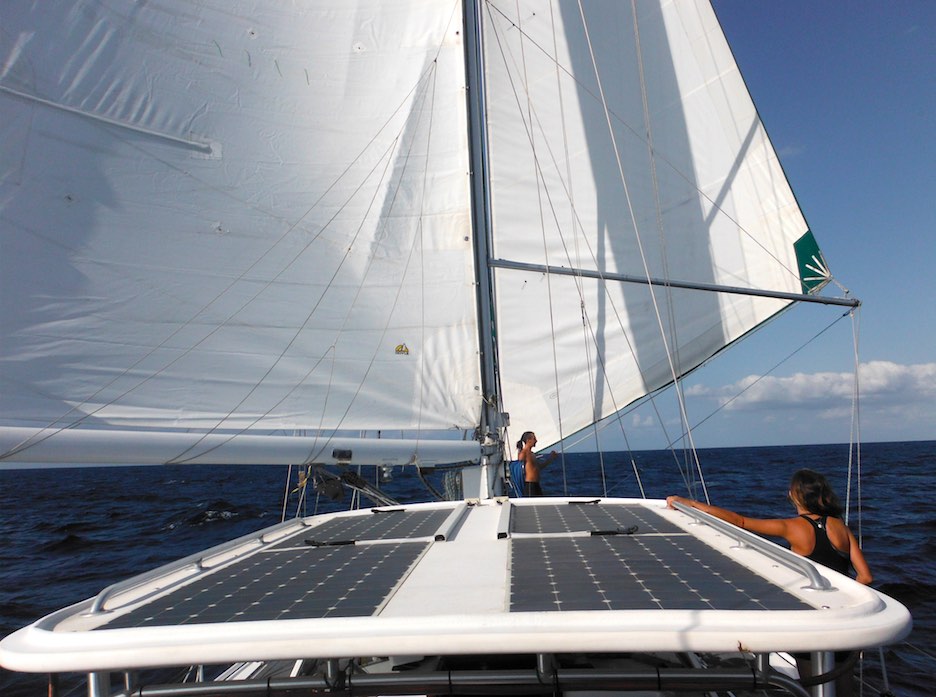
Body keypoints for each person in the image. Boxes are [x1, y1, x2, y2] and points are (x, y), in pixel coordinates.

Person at [667, 468, 871, 696]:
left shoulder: (793, 527)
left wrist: (691, 504)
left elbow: (740, 521)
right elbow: (865, 576)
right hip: (842, 619)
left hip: (811, 620)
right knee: (844, 684)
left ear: (795, 495)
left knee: (813, 686)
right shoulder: (840, 526)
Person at [516, 431, 558, 497]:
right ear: (528, 440)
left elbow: (539, 467)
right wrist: (519, 449)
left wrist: (551, 458)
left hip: (536, 484)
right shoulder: (524, 453)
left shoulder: (532, 454)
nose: (536, 441)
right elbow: (519, 463)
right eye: (534, 439)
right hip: (530, 485)